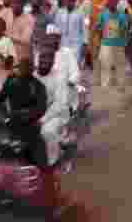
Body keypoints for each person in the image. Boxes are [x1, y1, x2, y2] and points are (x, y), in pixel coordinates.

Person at [0, 58, 49, 168]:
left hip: (29, 125)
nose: (22, 70)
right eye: (20, 67)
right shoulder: (11, 82)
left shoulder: (38, 86)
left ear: (32, 70)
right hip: (11, 122)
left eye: (26, 67)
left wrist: (27, 114)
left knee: (39, 150)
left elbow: (41, 108)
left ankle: (42, 173)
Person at [35, 25, 81, 168]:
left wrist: (70, 82)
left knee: (47, 131)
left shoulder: (67, 53)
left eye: (56, 37)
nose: (53, 40)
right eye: (50, 38)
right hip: (44, 102)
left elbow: (75, 73)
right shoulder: (39, 57)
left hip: (64, 97)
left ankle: (52, 162)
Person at [95, 0, 130, 90]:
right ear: (107, 2)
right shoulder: (103, 14)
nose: (112, 3)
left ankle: (121, 86)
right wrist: (100, 35)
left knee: (120, 66)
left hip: (119, 44)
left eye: (114, 1)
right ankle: (105, 87)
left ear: (117, 2)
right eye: (110, 1)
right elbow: (98, 27)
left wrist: (125, 42)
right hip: (106, 44)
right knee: (105, 65)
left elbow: (125, 30)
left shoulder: (122, 15)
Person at [52, 0, 87, 69]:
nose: (68, 2)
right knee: (63, 68)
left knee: (73, 69)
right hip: (63, 44)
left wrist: (84, 45)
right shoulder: (60, 12)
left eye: (70, 0)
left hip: (76, 46)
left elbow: (85, 30)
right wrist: (55, 42)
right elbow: (56, 29)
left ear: (74, 1)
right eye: (67, 0)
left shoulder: (80, 13)